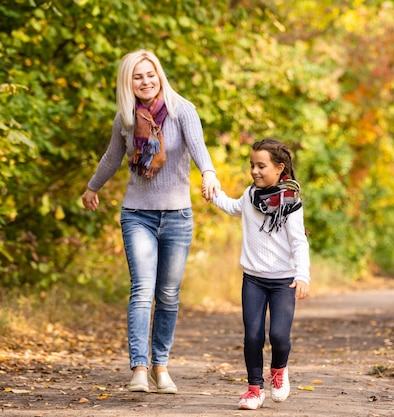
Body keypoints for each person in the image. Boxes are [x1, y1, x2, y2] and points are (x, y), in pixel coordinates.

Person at [81, 49, 220, 394]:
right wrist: (91, 187)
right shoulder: (125, 118)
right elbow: (112, 158)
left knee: (169, 295)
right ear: (128, 81)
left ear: (160, 75)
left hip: (177, 215)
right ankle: (139, 370)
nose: (145, 81)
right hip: (137, 214)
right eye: (137, 76)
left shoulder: (182, 110)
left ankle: (161, 366)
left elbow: (199, 147)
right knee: (142, 291)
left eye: (150, 74)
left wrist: (209, 173)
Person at [204, 138, 310, 410]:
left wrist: (303, 276)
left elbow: (299, 242)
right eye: (252, 165)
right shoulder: (250, 196)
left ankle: (278, 370)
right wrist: (213, 192)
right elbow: (232, 207)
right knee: (252, 336)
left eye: (261, 166)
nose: (254, 171)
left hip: (283, 282)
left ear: (279, 168)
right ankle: (254, 389)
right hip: (252, 279)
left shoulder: (290, 203)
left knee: (278, 336)